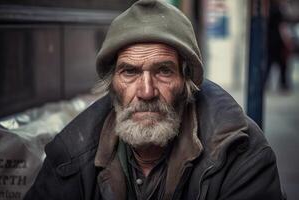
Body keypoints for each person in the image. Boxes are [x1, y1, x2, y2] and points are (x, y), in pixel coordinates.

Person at [24, 0, 284, 199]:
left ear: (186, 83)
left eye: (163, 71)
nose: (146, 91)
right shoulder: (71, 156)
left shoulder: (239, 152)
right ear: (112, 84)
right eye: (130, 71)